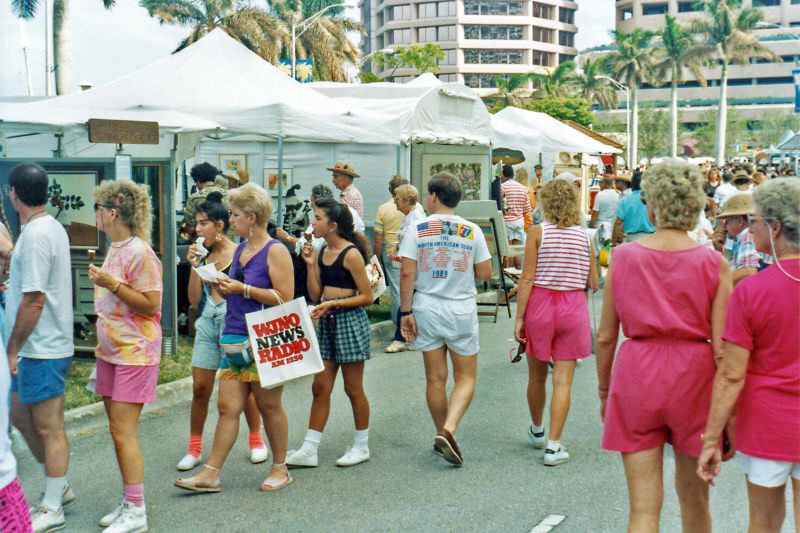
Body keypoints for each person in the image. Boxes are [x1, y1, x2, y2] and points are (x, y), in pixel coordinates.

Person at [596, 160, 732, 533]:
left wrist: (605, 390)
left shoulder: (623, 258)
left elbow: (606, 336)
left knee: (642, 508)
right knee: (695, 501)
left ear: (651, 205)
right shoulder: (713, 263)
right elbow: (723, 349)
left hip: (638, 371)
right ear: (694, 206)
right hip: (695, 374)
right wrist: (726, 415)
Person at [175, 183, 294, 493]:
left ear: (252, 217)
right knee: (228, 407)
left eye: (236, 214)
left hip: (263, 338)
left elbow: (284, 298)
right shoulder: (240, 250)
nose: (231, 219)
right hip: (235, 335)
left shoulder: (275, 250)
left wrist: (242, 289)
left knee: (269, 406)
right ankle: (211, 472)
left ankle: (280, 468)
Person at [697, 178, 800, 533]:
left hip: (768, 421)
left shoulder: (752, 290)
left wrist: (712, 438)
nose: (750, 229)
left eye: (754, 222)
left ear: (775, 226)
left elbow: (731, 374)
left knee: (764, 523)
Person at [399, 172, 493, 466]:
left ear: (435, 197)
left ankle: (442, 432)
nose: (426, 199)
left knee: (435, 378)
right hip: (461, 308)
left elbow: (406, 272)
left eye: (428, 195)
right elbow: (485, 274)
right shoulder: (472, 231)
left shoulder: (418, 228)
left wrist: (405, 311)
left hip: (427, 305)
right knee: (466, 377)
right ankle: (450, 430)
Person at [89, 180, 163, 533]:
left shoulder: (139, 251)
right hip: (112, 351)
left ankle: (136, 511)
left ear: (112, 212)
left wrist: (112, 284)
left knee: (123, 431)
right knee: (117, 431)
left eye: (98, 209)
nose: (97, 216)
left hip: (135, 351)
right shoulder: (115, 248)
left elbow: (151, 305)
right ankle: (129, 500)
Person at [4, 163, 74, 532]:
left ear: (13, 194)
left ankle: (52, 504)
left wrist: (13, 347)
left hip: (41, 345)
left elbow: (34, 299)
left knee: (48, 427)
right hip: (40, 344)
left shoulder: (34, 235)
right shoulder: (49, 228)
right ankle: (57, 484)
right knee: (19, 416)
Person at [177, 192, 268, 472]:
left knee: (245, 386)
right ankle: (194, 448)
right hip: (207, 319)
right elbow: (193, 299)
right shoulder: (201, 255)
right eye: (196, 223)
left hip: (233, 321)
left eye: (204, 223)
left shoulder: (237, 252)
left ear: (219, 225)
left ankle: (256, 439)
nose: (198, 229)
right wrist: (195, 266)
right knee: (200, 387)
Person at [514, 179, 598, 466]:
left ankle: (537, 429)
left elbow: (526, 278)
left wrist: (520, 318)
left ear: (546, 203)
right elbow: (594, 282)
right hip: (572, 306)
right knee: (564, 380)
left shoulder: (537, 233)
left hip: (540, 303)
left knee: (536, 375)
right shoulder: (585, 237)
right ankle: (553, 445)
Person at [287, 198, 374, 468]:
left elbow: (367, 297)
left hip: (348, 320)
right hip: (327, 320)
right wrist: (311, 264)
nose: (312, 222)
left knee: (353, 388)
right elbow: (315, 294)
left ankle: (361, 445)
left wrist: (334, 303)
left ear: (333, 225)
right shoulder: (322, 251)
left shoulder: (351, 254)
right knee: (320, 386)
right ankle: (309, 449)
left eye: (318, 218)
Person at [384, 184, 425, 353]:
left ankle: (401, 337)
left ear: (408, 201)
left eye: (398, 199)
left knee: (406, 301)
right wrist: (397, 249)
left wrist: (401, 254)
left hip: (413, 267)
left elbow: (416, 245)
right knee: (410, 301)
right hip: (408, 262)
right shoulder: (409, 215)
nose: (395, 201)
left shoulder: (416, 219)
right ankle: (409, 335)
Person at [374, 176, 408, 353]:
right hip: (408, 251)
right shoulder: (415, 207)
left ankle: (398, 326)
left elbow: (378, 237)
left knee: (396, 290)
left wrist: (378, 256)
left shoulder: (383, 209)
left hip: (390, 249)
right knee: (409, 289)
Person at [717, 194, 771, 286]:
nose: (724, 227)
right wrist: (719, 248)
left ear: (739, 221)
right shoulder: (740, 238)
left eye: (727, 221)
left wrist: (716, 283)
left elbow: (749, 271)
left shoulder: (747, 235)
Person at [501, 164, 532, 269]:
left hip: (505, 222)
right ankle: (518, 272)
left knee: (504, 250)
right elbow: (527, 209)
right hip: (519, 222)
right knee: (517, 250)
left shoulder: (502, 187)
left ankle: (505, 273)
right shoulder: (523, 188)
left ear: (502, 174)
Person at [612, 171, 655, 244]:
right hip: (651, 238)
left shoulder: (625, 200)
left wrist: (613, 242)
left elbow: (618, 223)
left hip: (632, 239)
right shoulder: (653, 199)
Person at [184, 162, 227, 227]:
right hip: (226, 235)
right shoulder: (228, 195)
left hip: (203, 235)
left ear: (197, 180)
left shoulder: (194, 198)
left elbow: (189, 222)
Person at [590, 177, 620, 241]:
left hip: (601, 225)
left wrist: (590, 226)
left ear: (605, 184)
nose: (599, 184)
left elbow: (595, 214)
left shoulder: (600, 195)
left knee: (601, 248)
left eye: (600, 182)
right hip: (612, 226)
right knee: (608, 248)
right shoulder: (617, 195)